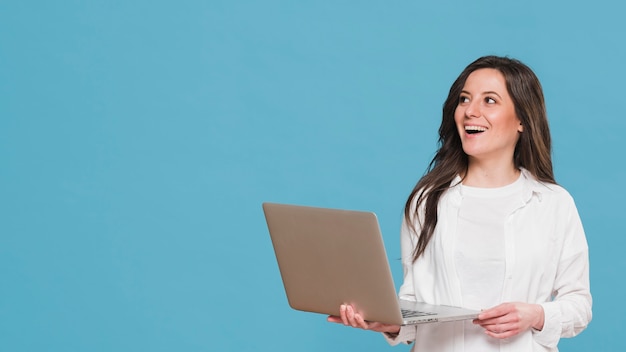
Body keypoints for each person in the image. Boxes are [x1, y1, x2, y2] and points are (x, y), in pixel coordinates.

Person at [327, 55, 592, 351]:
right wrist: (389, 321)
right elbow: (415, 304)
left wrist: (537, 314)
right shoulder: (427, 199)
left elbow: (579, 305)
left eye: (489, 101)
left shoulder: (553, 203)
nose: (470, 111)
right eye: (464, 99)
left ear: (521, 119)